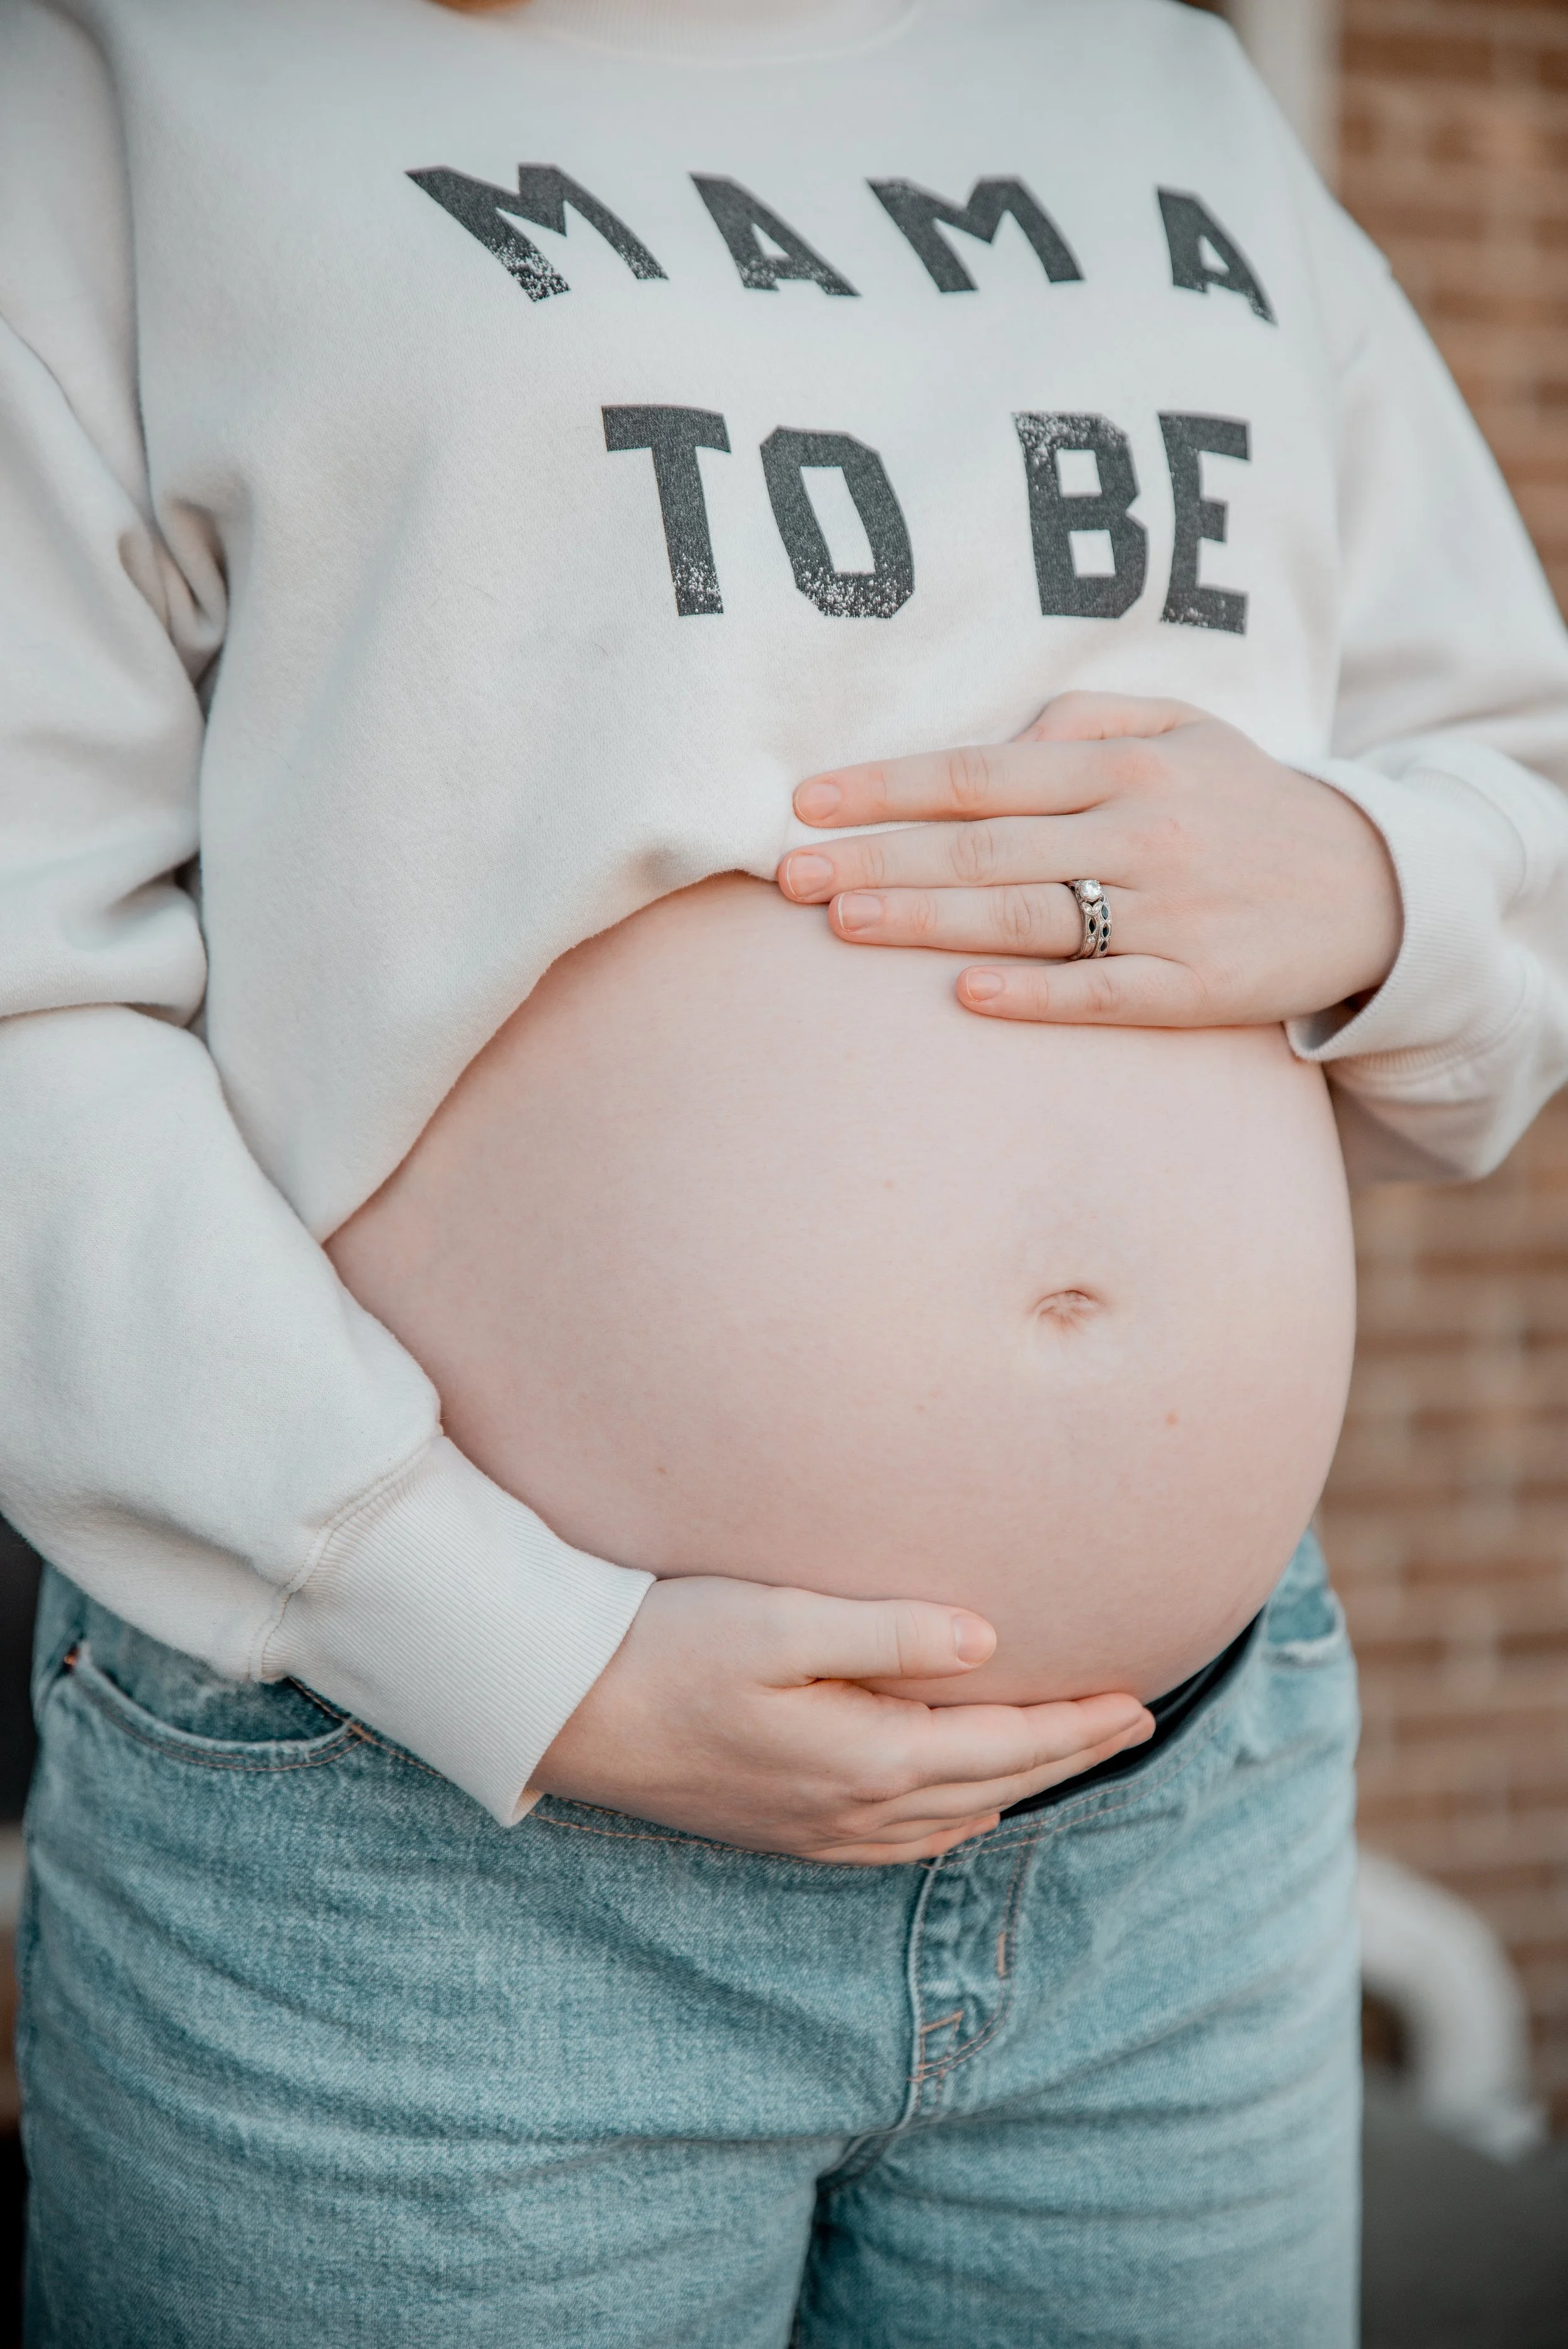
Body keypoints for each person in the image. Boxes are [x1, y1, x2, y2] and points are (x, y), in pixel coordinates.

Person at [3, 0, 1567, 2341]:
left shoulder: (1152, 83)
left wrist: (1363, 876)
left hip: (1179, 1825)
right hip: (424, 1852)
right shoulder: (114, 87)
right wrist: (504, 1646)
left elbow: (1504, 764)